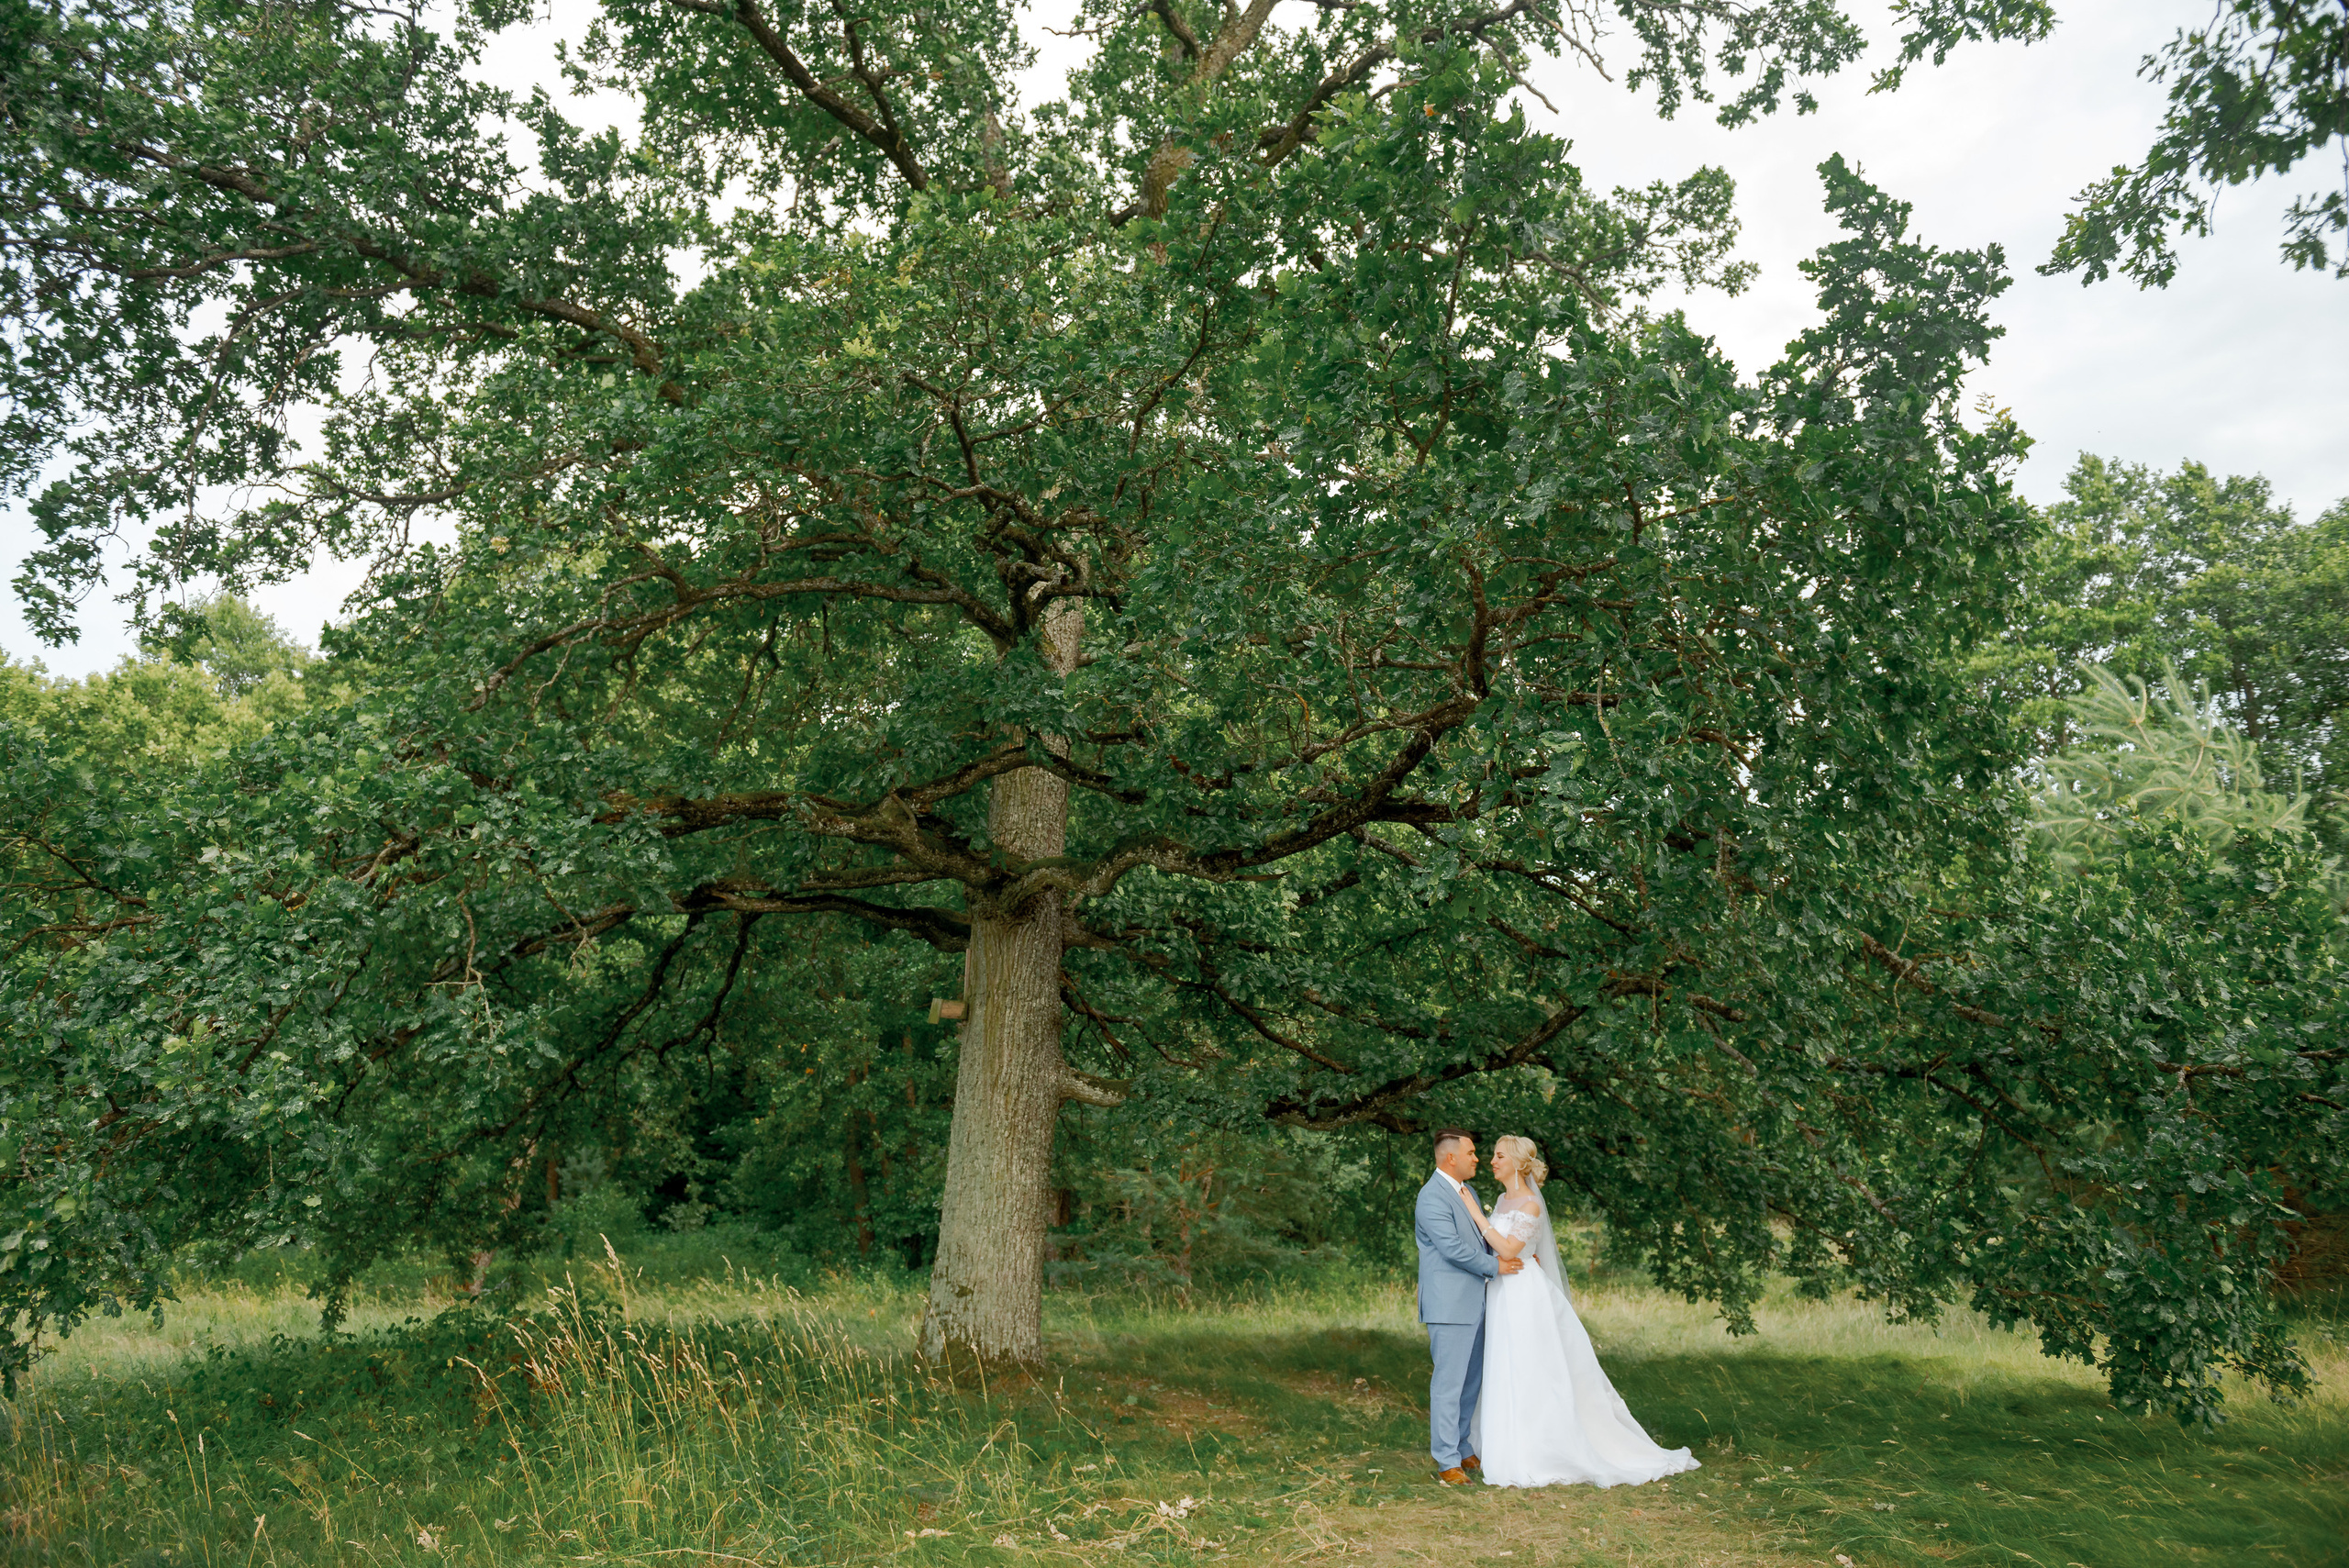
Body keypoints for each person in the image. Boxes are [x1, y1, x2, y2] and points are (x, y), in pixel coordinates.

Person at [1453, 1134, 1700, 1489]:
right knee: (1504, 1365)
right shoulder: (1503, 1200)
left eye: (1498, 1155)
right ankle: (1505, 1442)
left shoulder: (1530, 1205)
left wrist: (1476, 1215)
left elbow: (1508, 1250)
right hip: (1501, 1293)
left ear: (1518, 1163)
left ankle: (1542, 1449)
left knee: (1530, 1367)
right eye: (1491, 1155)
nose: (1492, 1161)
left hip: (1524, 1295)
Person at [1414, 1129, 1522, 1485]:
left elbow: (1480, 1240)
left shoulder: (1468, 1192)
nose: (1478, 1158)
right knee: (1449, 1383)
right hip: (1449, 1305)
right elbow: (1452, 1249)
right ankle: (1446, 1461)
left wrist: (1515, 1255)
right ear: (1451, 1158)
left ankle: (1462, 1447)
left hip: (1478, 1300)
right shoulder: (1431, 1197)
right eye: (1472, 1153)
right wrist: (1497, 1266)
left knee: (1470, 1382)